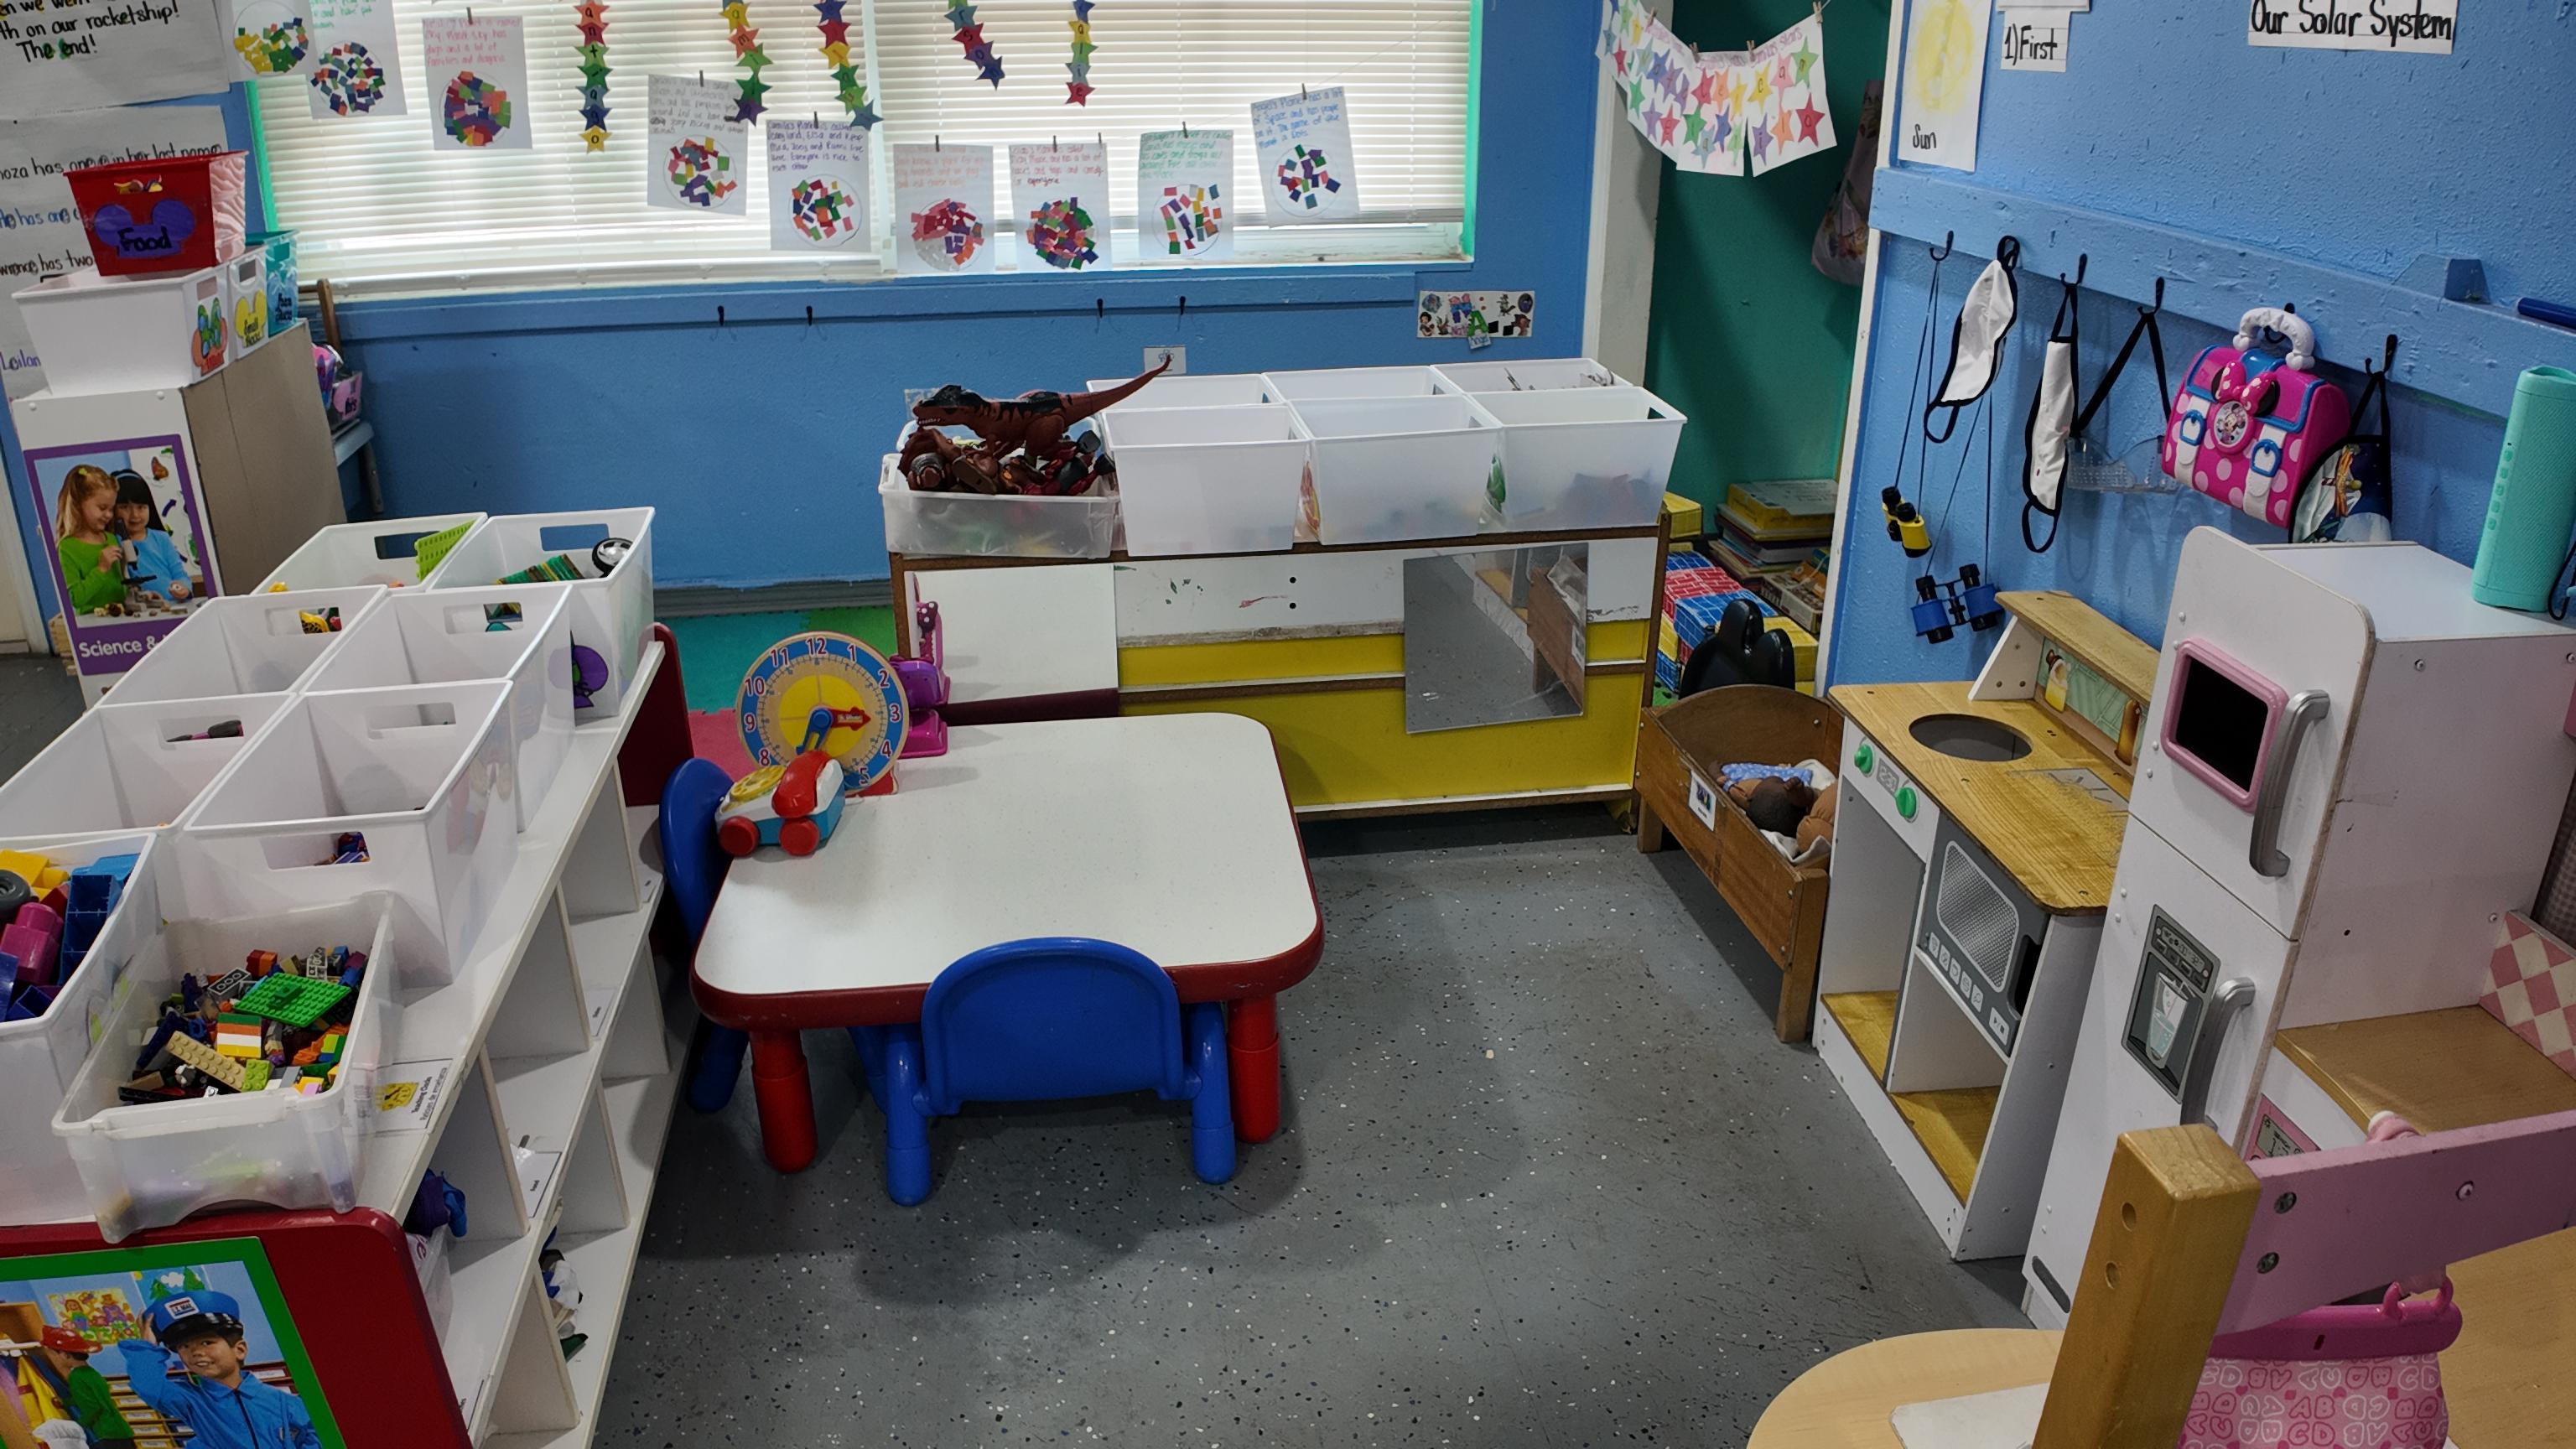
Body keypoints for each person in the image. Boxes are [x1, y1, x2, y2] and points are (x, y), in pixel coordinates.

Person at [112, 1293, 320, 1449]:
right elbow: (149, 1386)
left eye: (207, 1342)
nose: (195, 1352)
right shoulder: (193, 1401)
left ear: (239, 1350)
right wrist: (147, 1348)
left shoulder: (285, 1403)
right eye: (184, 1346)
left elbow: (314, 1438)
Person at [25, 1327, 134, 1449]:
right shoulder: (91, 1372)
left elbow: (93, 1408)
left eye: (53, 1354)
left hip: (105, 1433)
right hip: (121, 1429)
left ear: (65, 1355)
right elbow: (87, 1398)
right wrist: (66, 1402)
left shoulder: (76, 1377)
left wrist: (77, 1427)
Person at [51, 465, 127, 616]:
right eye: (102, 508)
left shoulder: (111, 538)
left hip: (120, 617)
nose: (109, 515)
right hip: (92, 623)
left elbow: (119, 587)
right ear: (78, 505)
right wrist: (101, 569)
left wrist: (138, 595)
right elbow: (76, 599)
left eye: (111, 509)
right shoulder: (68, 547)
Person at [109, 471, 192, 605]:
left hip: (173, 606)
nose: (135, 515)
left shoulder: (162, 538)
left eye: (141, 507)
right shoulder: (112, 541)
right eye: (124, 507)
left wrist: (184, 589)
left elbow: (180, 575)